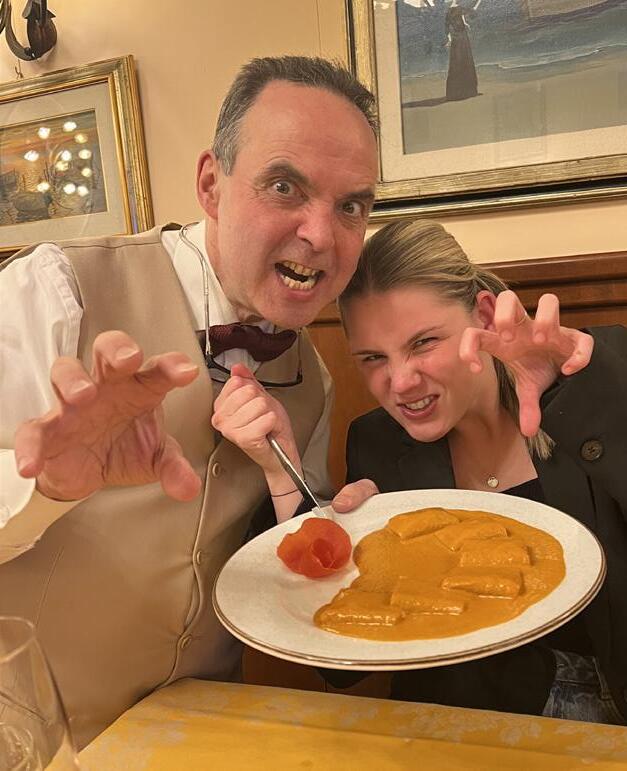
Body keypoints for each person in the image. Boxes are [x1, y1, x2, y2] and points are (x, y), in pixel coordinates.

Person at [0, 55, 378, 748]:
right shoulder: (54, 290)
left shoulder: (314, 378)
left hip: (199, 734)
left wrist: (313, 514)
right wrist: (46, 489)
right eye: (284, 186)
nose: (322, 235)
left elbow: (294, 581)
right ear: (211, 184)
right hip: (30, 738)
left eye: (351, 205)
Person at [223, 216, 627, 725]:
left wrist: (583, 399)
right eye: (373, 357)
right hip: (464, 728)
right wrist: (283, 474)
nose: (401, 382)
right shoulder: (377, 443)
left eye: (423, 343)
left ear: (483, 316)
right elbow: (340, 667)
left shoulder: (596, 373)